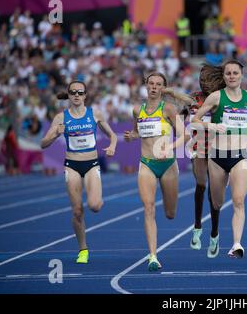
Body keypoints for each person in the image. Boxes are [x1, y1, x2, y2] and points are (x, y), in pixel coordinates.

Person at [192, 60, 247, 258]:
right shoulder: (215, 97)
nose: (232, 76)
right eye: (228, 73)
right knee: (217, 203)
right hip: (217, 156)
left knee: (238, 201)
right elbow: (195, 120)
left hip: (239, 156)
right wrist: (210, 126)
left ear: (241, 75)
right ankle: (214, 233)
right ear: (224, 76)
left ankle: (237, 244)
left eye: (235, 73)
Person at [40, 80, 117, 264]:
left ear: (85, 95)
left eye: (80, 92)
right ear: (69, 95)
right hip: (72, 165)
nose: (76, 95)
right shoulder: (61, 118)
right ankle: (83, 249)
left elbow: (113, 135)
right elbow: (43, 144)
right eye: (73, 92)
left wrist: (113, 145)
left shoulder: (94, 113)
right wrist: (55, 133)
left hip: (91, 164)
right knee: (77, 211)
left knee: (95, 206)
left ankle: (96, 197)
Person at [124, 72, 186, 271]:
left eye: (158, 84)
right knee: (148, 208)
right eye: (151, 83)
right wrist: (131, 136)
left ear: (162, 88)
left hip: (167, 164)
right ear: (146, 85)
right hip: (147, 163)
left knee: (170, 213)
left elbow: (184, 135)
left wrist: (170, 148)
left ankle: (169, 213)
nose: (153, 87)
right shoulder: (137, 110)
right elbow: (136, 131)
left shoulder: (168, 108)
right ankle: (153, 256)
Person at [186, 64, 226, 258]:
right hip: (199, 149)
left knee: (214, 194)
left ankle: (215, 233)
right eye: (200, 77)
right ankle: (197, 226)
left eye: (206, 77)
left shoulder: (222, 97)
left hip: (219, 149)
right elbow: (181, 118)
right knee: (201, 184)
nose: (202, 80)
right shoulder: (192, 97)